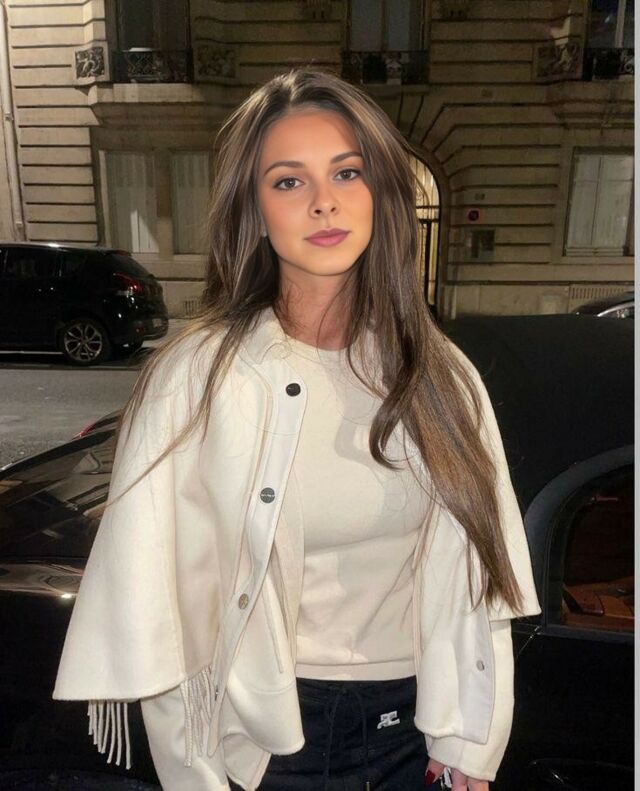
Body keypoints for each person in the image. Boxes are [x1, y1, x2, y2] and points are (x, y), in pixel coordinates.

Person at [52, 68, 541, 791]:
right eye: (288, 181)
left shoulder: (442, 376)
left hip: (415, 734)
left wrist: (470, 736)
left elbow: (479, 577)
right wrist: (194, 772)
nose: (323, 201)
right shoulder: (198, 377)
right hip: (266, 742)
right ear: (254, 210)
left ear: (381, 193)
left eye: (347, 172)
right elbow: (159, 598)